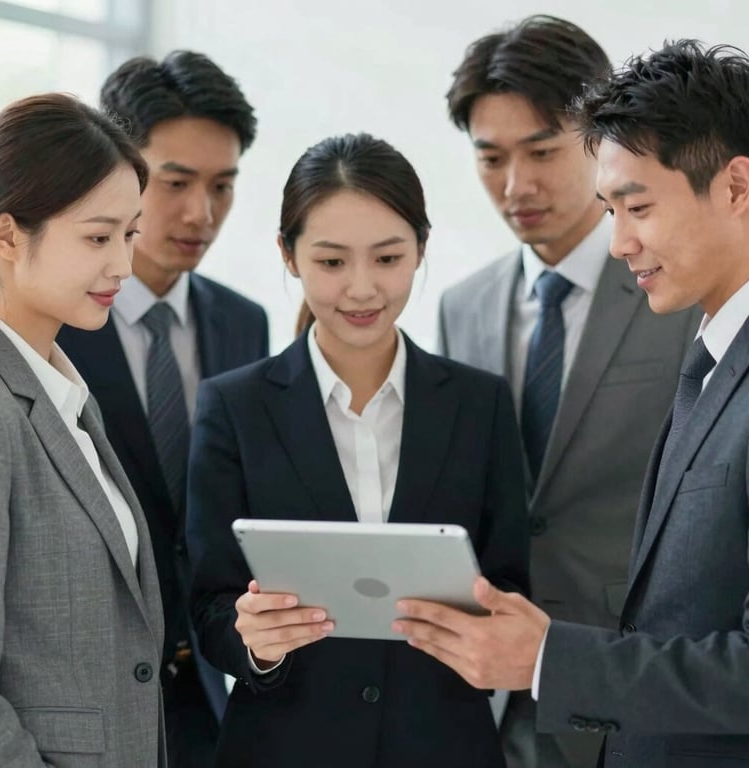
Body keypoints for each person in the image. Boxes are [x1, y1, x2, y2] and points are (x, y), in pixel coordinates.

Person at [396, 39, 749, 768]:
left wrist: (554, 658)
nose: (621, 242)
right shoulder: (711, 354)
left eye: (639, 207)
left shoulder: (692, 329)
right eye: (611, 208)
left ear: (738, 189)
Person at [185, 132, 530, 768]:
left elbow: (509, 578)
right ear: (289, 256)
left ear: (421, 250)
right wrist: (256, 642)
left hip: (443, 744)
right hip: (284, 747)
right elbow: (209, 604)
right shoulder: (233, 406)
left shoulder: (479, 405)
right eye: (332, 262)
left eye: (389, 258)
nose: (363, 288)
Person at [57, 50, 269, 766]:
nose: (200, 213)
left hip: (216, 688)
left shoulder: (244, 323)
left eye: (222, 185)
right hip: (91, 691)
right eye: (175, 182)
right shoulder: (49, 326)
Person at [0, 93, 164, 767]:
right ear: (5, 235)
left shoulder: (66, 395)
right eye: (97, 237)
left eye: (129, 234)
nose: (122, 265)